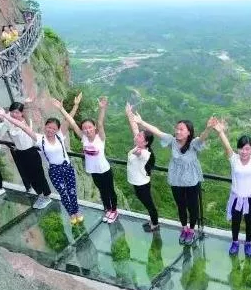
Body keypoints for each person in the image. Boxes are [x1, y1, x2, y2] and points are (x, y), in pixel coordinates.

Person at [133, 112, 215, 246]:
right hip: (176, 180)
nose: (177, 131)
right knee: (181, 206)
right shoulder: (172, 141)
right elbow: (157, 132)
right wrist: (141, 122)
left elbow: (202, 139)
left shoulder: (193, 143)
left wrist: (208, 128)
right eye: (177, 128)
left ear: (189, 132)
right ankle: (184, 228)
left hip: (191, 181)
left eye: (181, 129)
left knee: (193, 207)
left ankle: (191, 231)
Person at [0, 98, 84, 224]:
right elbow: (23, 126)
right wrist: (6, 116)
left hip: (67, 167)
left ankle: (76, 211)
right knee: (63, 193)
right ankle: (71, 214)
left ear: (57, 130)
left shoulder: (60, 136)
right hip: (54, 171)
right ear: (45, 127)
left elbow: (68, 120)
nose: (50, 130)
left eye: (53, 129)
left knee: (72, 191)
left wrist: (74, 106)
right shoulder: (40, 139)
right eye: (48, 127)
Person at [0, 97, 52, 209]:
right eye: (12, 112)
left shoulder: (26, 122)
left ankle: (46, 196)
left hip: (31, 153)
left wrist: (24, 105)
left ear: (22, 113)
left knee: (39, 176)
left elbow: (23, 119)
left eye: (17, 112)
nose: (14, 114)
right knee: (29, 176)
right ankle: (40, 195)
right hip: (20, 153)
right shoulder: (10, 121)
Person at [53, 95, 119, 223]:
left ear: (94, 127)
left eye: (90, 127)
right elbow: (71, 122)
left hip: (104, 170)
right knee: (102, 191)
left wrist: (102, 109)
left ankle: (114, 211)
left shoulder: (100, 138)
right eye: (85, 128)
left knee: (110, 191)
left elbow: (100, 123)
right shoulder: (83, 137)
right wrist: (61, 109)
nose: (87, 130)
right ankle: (107, 209)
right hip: (93, 171)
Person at [211, 117, 251, 257]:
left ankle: (248, 244)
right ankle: (235, 242)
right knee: (235, 223)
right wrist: (220, 132)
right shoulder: (234, 159)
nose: (244, 151)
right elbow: (227, 146)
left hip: (250, 198)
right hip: (236, 197)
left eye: (247, 148)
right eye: (241, 148)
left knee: (249, 223)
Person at [125, 104, 159, 232]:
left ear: (145, 142)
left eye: (139, 136)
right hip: (137, 182)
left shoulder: (144, 153)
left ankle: (155, 224)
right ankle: (152, 220)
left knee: (149, 204)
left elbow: (140, 154)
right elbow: (134, 128)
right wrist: (129, 114)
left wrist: (136, 152)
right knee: (146, 203)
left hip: (142, 184)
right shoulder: (140, 145)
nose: (136, 136)